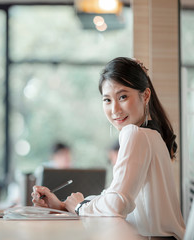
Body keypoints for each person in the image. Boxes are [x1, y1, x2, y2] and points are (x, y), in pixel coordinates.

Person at [31, 57, 185, 239]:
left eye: (123, 97)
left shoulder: (134, 134)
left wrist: (80, 207)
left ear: (145, 96)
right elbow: (113, 195)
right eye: (107, 100)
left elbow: (117, 203)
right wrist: (64, 206)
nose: (115, 109)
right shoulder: (152, 135)